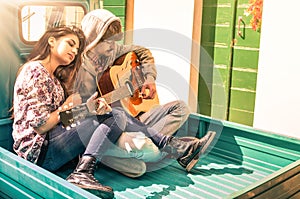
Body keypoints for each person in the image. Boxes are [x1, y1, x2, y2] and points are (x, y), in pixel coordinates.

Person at [12, 25, 216, 199]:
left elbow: (62, 120)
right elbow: (40, 126)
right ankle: (177, 148)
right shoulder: (34, 71)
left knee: (115, 114)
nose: (74, 51)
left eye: (77, 47)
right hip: (38, 152)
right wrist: (68, 107)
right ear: (51, 41)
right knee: (116, 117)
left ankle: (175, 147)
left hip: (54, 141)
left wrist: (88, 109)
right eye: (70, 43)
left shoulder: (54, 76)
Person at [77, 8, 195, 177]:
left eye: (115, 40)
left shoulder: (113, 52)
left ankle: (155, 146)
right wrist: (114, 97)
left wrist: (149, 78)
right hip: (108, 129)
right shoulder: (78, 67)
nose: (113, 45)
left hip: (133, 118)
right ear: (93, 39)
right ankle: (161, 148)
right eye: (107, 41)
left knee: (181, 108)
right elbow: (77, 115)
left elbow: (142, 52)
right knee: (141, 165)